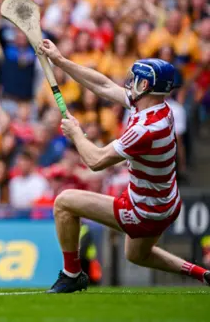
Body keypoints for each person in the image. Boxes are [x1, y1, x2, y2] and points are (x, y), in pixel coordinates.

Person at [39, 39, 210, 293]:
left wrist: (75, 133)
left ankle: (72, 274)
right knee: (137, 255)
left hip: (144, 210)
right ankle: (203, 274)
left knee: (64, 202)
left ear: (146, 86)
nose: (130, 83)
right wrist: (61, 61)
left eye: (136, 80)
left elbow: (95, 161)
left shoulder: (146, 129)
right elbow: (103, 85)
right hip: (166, 203)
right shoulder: (158, 107)